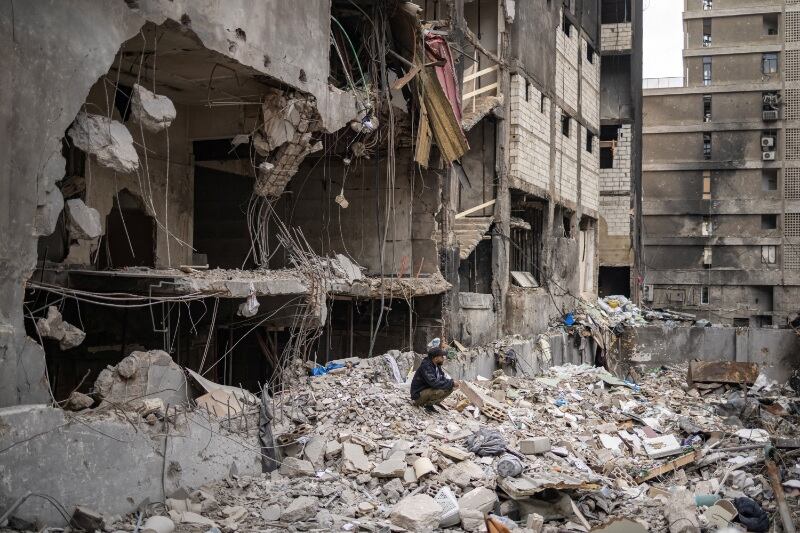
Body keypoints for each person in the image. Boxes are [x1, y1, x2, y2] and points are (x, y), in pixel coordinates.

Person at [410, 345, 458, 411]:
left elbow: (442, 378)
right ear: (435, 358)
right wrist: (451, 382)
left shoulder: (436, 366)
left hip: (426, 391)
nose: (443, 358)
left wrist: (451, 382)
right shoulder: (426, 366)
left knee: (450, 388)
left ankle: (429, 405)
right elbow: (434, 383)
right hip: (418, 395)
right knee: (440, 390)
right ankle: (420, 403)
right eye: (441, 357)